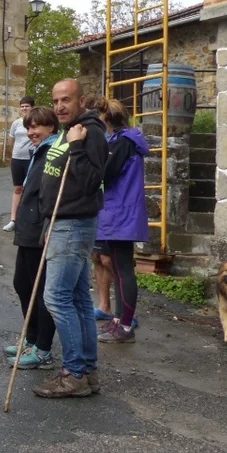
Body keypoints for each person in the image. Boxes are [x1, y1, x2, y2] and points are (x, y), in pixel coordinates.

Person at [33, 78, 108, 399]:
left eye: (66, 100)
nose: (60, 106)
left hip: (73, 225)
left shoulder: (90, 132)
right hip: (61, 223)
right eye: (56, 101)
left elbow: (92, 180)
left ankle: (74, 372)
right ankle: (86, 371)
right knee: (77, 300)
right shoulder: (69, 130)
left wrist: (77, 145)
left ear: (82, 102)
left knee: (56, 298)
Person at [6, 106, 59, 369]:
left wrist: (46, 226)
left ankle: (43, 349)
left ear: (51, 127)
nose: (31, 132)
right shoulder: (38, 151)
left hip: (39, 230)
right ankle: (31, 338)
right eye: (28, 127)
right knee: (22, 284)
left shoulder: (53, 152)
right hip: (27, 228)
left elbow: (50, 194)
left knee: (40, 289)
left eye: (36, 126)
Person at [95, 99, 149, 344]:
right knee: (118, 268)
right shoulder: (124, 140)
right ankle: (119, 320)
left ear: (107, 119)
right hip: (121, 210)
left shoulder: (122, 143)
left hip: (121, 212)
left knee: (123, 269)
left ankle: (125, 325)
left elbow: (105, 172)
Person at [4, 96, 35, 231]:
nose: (24, 108)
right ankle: (13, 220)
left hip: (31, 159)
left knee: (30, 189)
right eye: (22, 106)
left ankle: (28, 220)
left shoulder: (36, 122)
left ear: (32, 107)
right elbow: (12, 141)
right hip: (17, 159)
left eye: (27, 106)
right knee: (18, 188)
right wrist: (14, 153)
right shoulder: (16, 123)